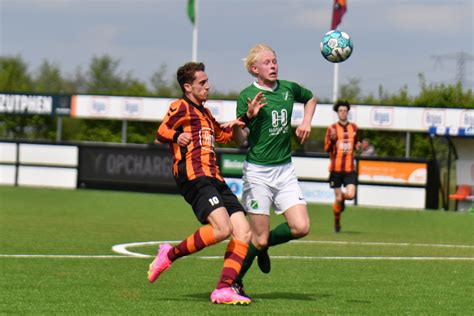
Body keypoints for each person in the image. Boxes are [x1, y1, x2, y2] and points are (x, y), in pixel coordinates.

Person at [148, 62, 252, 305]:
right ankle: (169, 254)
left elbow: (229, 137)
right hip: (194, 176)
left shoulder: (206, 114)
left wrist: (241, 122)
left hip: (215, 177)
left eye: (207, 81)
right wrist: (176, 135)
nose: (208, 86)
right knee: (222, 229)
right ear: (188, 87)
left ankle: (223, 289)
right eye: (202, 83)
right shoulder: (180, 106)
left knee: (244, 231)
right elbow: (161, 131)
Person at [231, 44, 317, 297]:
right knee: (258, 239)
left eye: (275, 61)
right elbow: (239, 138)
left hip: (285, 170)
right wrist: (247, 116)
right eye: (267, 62)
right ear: (254, 69)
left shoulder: (289, 89)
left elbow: (311, 97)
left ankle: (263, 244)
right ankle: (234, 281)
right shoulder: (247, 94)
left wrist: (307, 121)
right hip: (258, 173)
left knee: (301, 227)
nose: (273, 66)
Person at [324, 100, 361, 233]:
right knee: (338, 198)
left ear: (348, 112)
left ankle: (341, 201)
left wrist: (358, 146)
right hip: (336, 169)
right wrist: (333, 140)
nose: (343, 113)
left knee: (350, 195)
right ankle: (337, 223)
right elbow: (326, 148)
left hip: (350, 169)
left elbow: (357, 143)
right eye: (340, 111)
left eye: (345, 111)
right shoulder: (331, 129)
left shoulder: (354, 128)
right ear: (337, 112)